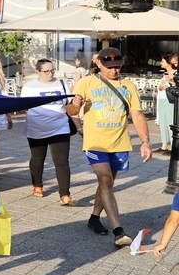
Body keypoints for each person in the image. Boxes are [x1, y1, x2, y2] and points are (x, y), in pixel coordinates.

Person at [71, 46, 154, 246]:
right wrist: (75, 105)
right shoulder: (87, 82)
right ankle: (119, 231)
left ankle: (94, 218)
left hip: (119, 142)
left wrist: (146, 141)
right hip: (95, 142)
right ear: (98, 63)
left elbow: (137, 114)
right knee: (106, 180)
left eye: (117, 67)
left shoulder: (128, 85)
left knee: (106, 183)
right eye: (109, 67)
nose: (114, 71)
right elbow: (70, 110)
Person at [20, 59, 77, 206]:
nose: (50, 73)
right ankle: (37, 185)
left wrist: (76, 104)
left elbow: (68, 106)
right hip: (36, 127)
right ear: (38, 71)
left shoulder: (62, 83)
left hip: (60, 126)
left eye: (52, 70)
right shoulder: (29, 86)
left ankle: (65, 195)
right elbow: (22, 107)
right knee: (38, 158)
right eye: (46, 71)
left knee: (61, 161)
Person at [156, 53, 177, 153]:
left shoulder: (176, 73)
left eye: (163, 61)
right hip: (163, 99)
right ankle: (164, 144)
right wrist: (161, 87)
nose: (161, 63)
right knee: (163, 121)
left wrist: (171, 82)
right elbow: (160, 87)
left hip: (171, 100)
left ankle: (174, 145)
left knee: (171, 121)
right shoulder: (165, 74)